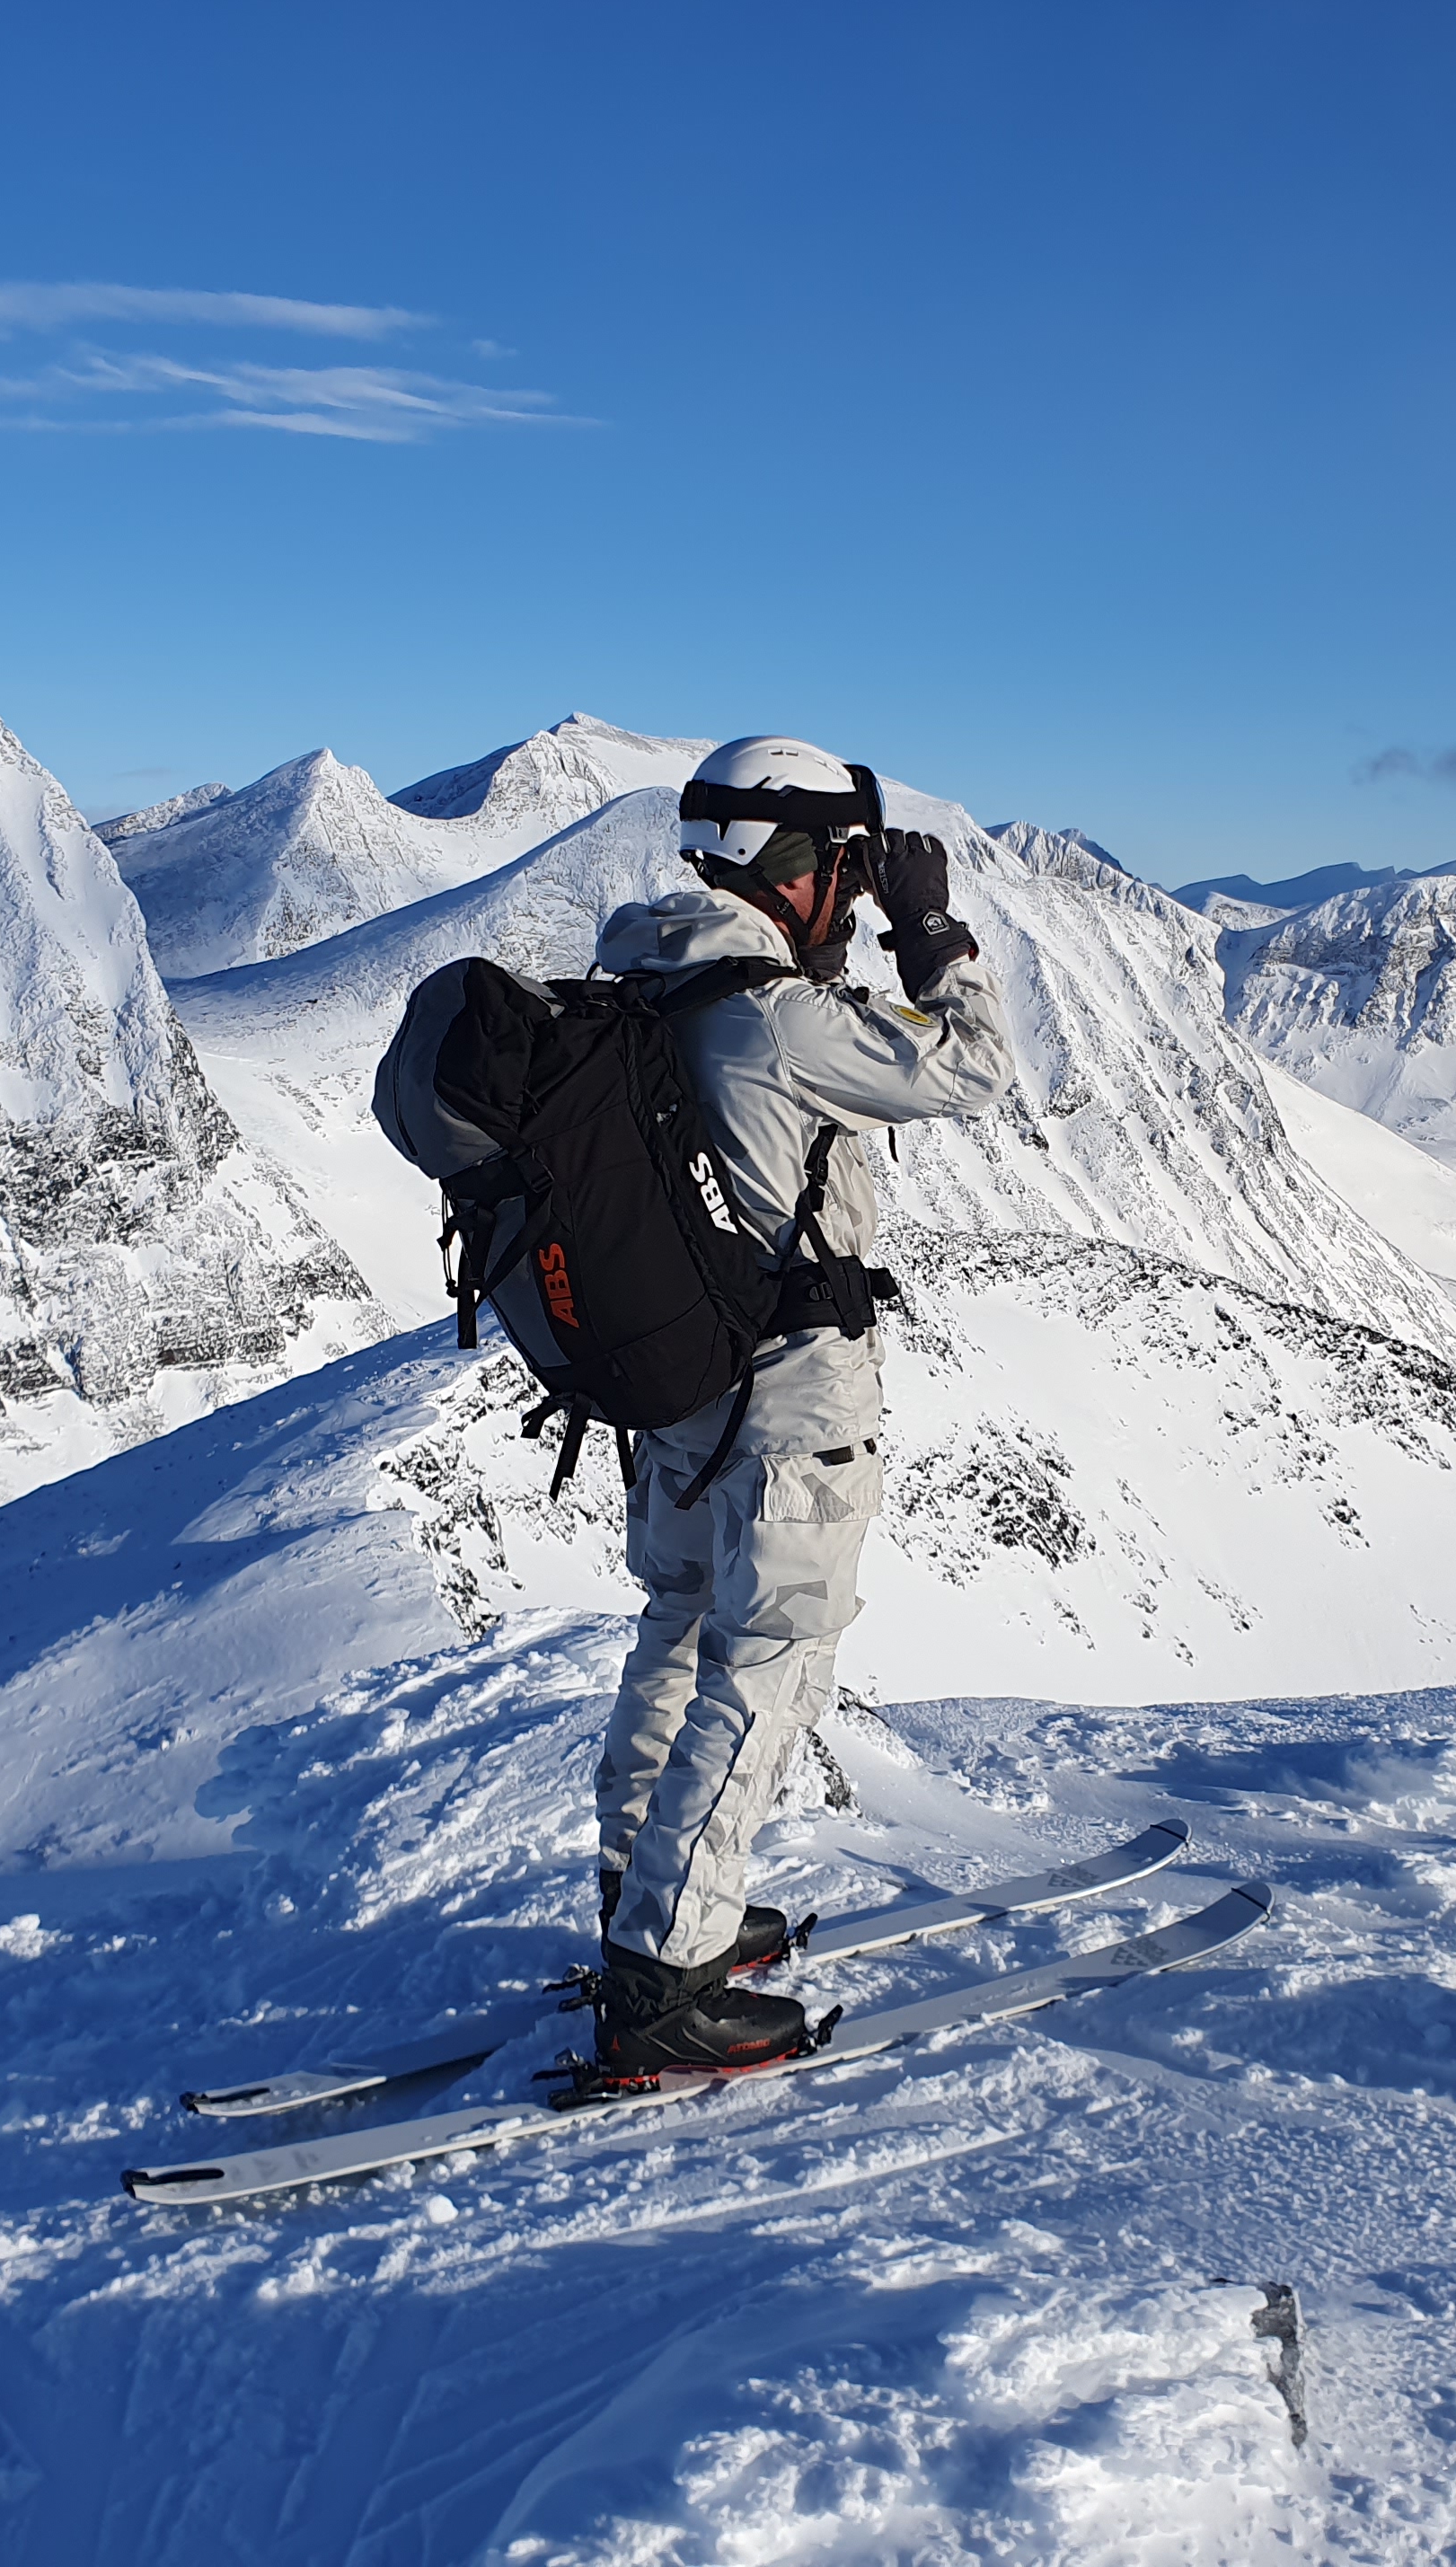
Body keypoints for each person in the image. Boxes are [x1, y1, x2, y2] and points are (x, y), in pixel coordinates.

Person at [585, 737, 1017, 2078]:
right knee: (769, 1667)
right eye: (843, 869)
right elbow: (975, 1068)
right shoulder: (777, 1016)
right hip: (790, 1399)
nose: (852, 893)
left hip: (679, 1393)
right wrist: (930, 929)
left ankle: (647, 1898)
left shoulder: (647, 978)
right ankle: (667, 1974)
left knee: (682, 1630)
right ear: (805, 869)